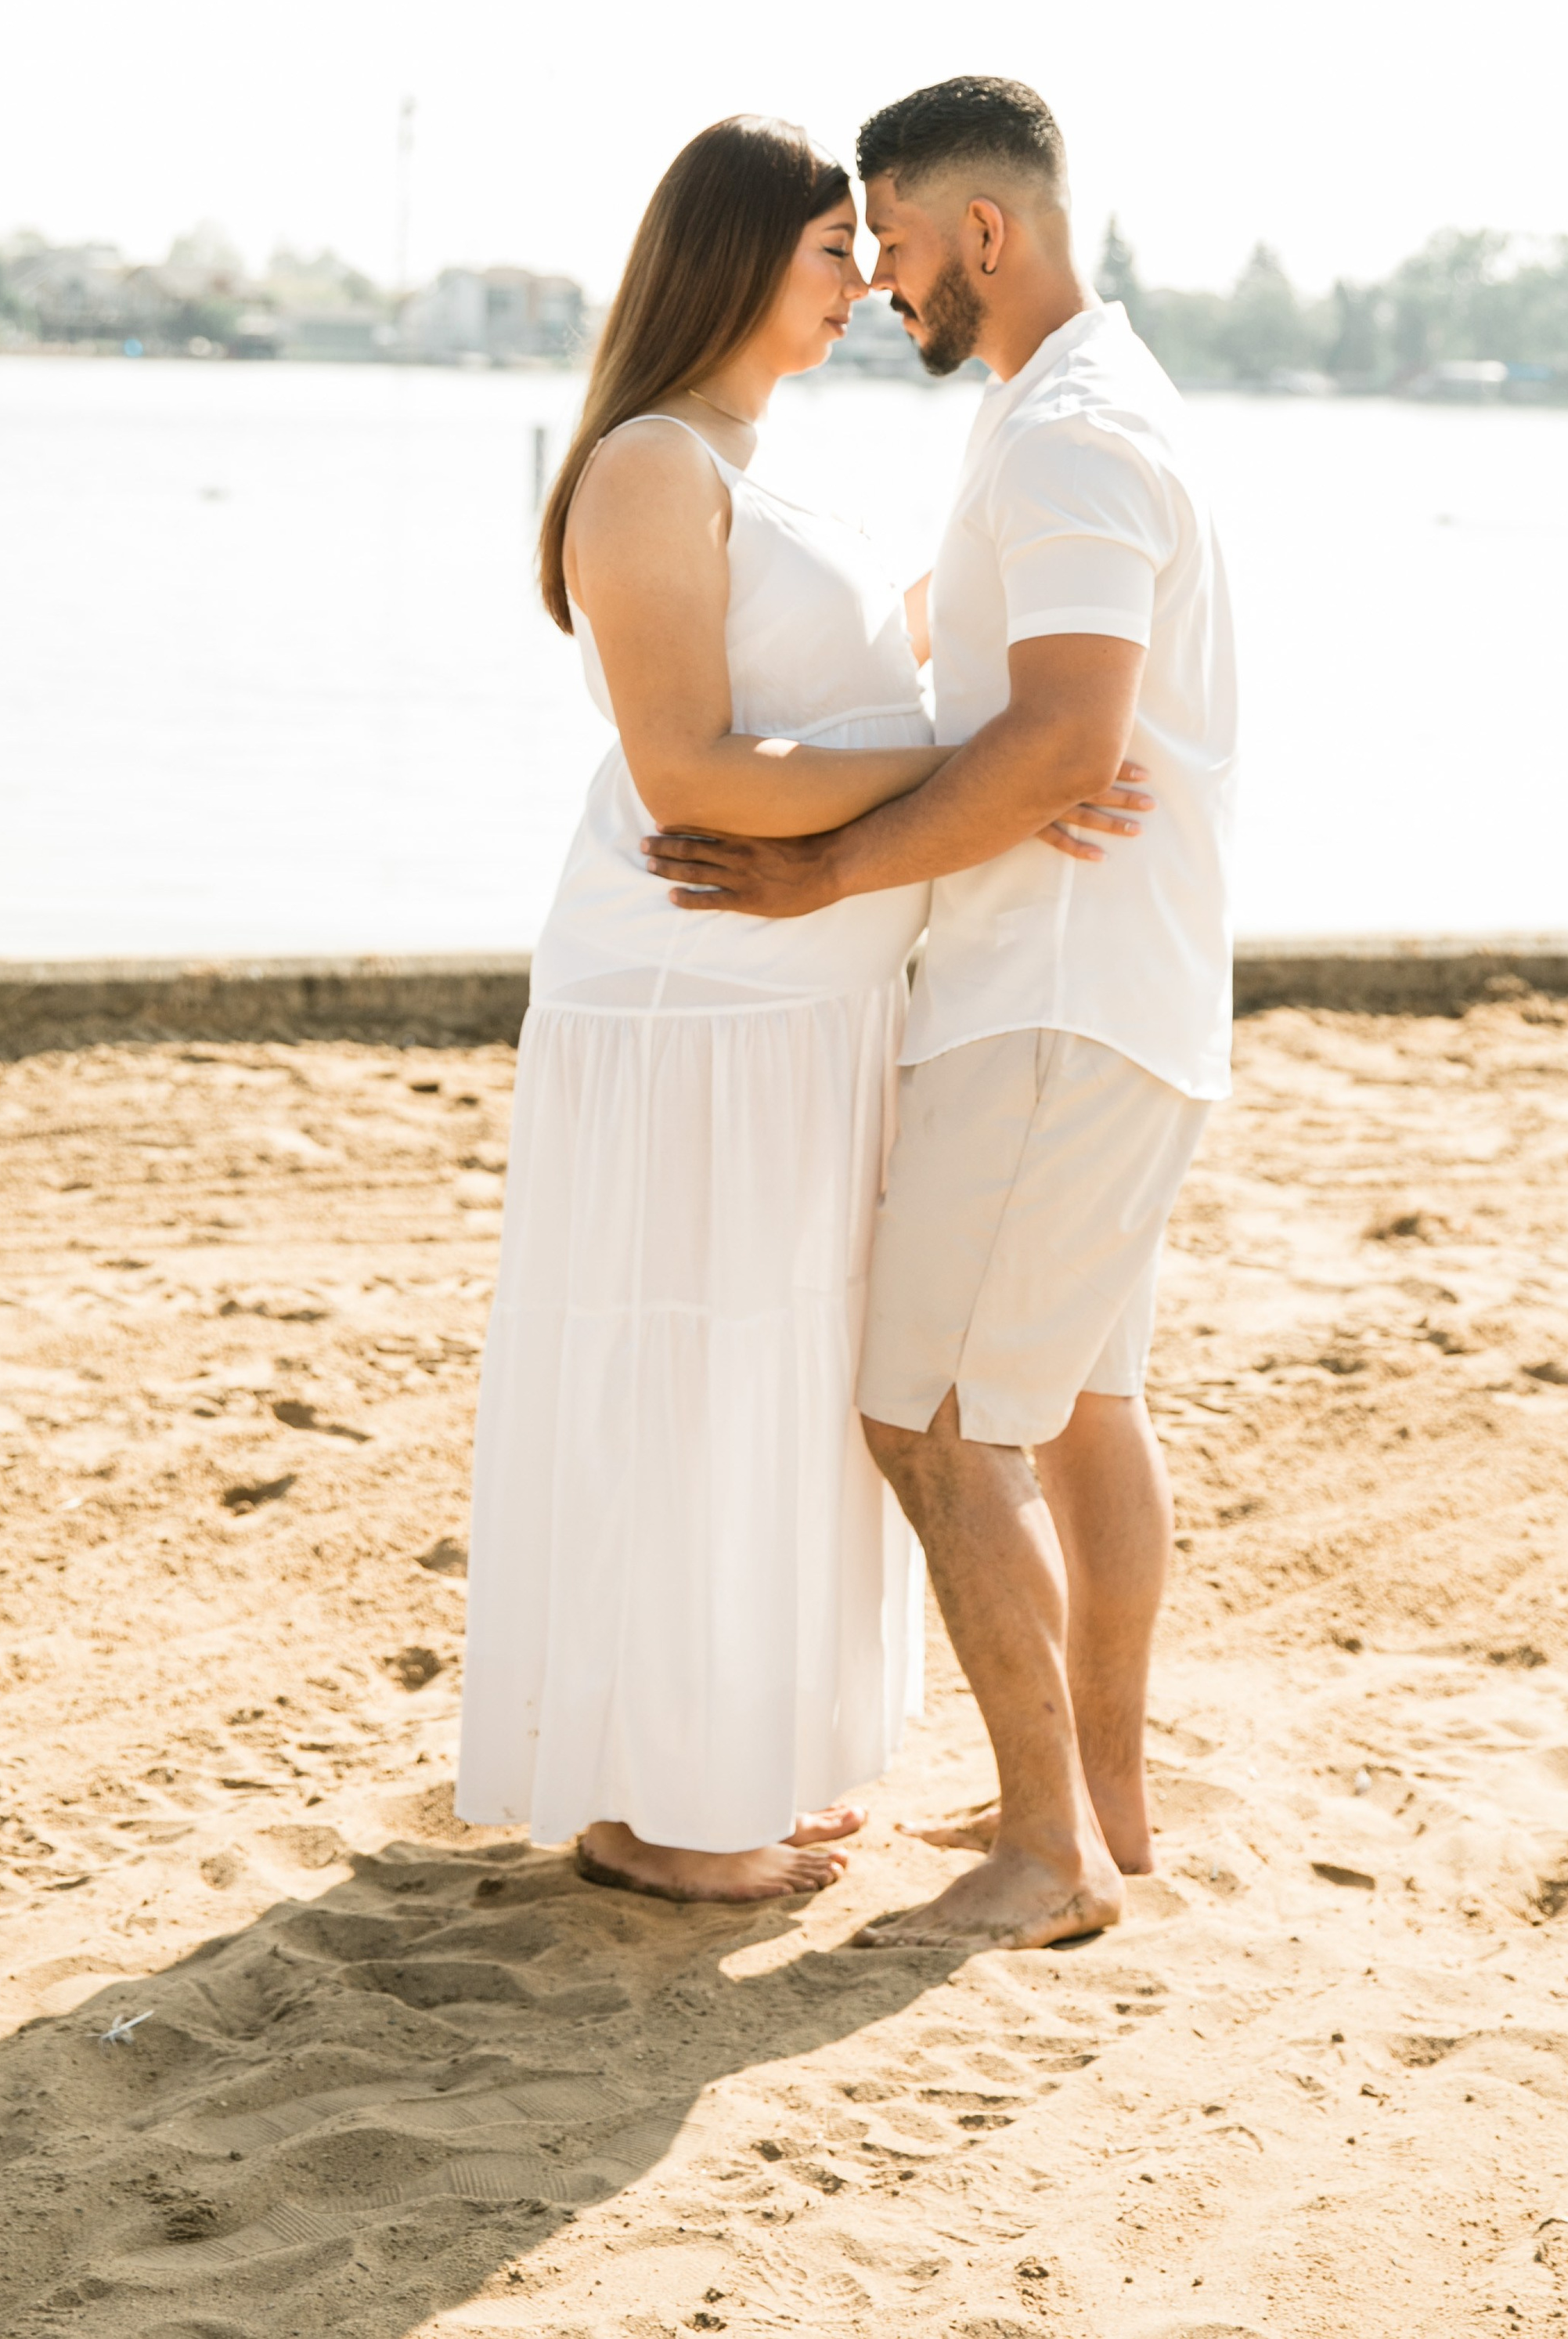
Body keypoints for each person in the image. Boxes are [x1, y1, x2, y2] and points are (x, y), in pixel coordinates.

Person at [455, 114, 1146, 1905]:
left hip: (803, 1010)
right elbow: (688, 773)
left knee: (769, 1390)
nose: (865, 281)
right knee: (699, 1382)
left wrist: (1035, 735)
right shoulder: (644, 467)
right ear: (736, 256)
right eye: (834, 249)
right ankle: (673, 1814)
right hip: (698, 1005)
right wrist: (990, 770)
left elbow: (871, 672)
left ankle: (715, 1769)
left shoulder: (752, 466)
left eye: (865, 249)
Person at [645, 77, 1238, 1950]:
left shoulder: (1065, 434)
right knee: (1078, 1402)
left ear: (984, 230)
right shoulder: (1081, 408)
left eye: (892, 241)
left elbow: (1063, 738)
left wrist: (822, 871)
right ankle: (1100, 1802)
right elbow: (1012, 693)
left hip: (1043, 1005)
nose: (883, 282)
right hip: (1122, 991)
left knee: (926, 1422)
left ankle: (1046, 1856)